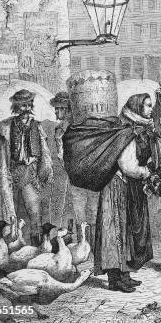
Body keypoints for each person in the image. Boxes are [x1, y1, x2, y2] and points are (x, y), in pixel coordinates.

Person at [93, 94, 157, 293]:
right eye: (146, 106)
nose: (149, 109)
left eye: (150, 106)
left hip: (126, 185)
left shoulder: (138, 129)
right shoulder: (127, 131)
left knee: (126, 230)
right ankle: (115, 279)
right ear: (137, 108)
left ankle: (125, 275)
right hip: (115, 186)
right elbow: (127, 165)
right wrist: (145, 172)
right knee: (114, 232)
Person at [0, 89, 53, 246]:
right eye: (21, 106)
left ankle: (37, 249)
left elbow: (44, 153)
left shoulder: (36, 126)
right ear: (15, 107)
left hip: (30, 173)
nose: (25, 109)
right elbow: (2, 156)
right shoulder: (6, 127)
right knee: (9, 213)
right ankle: (9, 250)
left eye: (28, 105)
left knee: (35, 214)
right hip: (13, 171)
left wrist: (43, 170)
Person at [50, 91, 98, 250]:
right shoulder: (82, 124)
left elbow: (62, 155)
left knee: (80, 210)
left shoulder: (64, 128)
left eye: (58, 109)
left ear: (66, 109)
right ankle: (88, 247)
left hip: (76, 174)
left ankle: (86, 246)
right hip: (86, 173)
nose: (56, 112)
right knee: (86, 210)